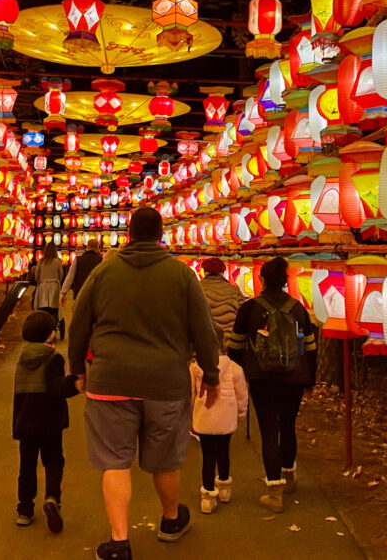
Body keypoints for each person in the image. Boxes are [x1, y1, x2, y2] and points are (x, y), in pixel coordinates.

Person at [68, 206, 221, 560]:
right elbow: (204, 330)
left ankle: (119, 543)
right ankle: (170, 520)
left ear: (129, 235)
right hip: (165, 382)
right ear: (161, 235)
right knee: (166, 458)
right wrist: (211, 375)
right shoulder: (182, 276)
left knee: (115, 460)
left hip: (110, 381)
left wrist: (77, 368)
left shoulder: (104, 273)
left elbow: (78, 324)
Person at [227, 256, 317, 514]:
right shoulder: (298, 308)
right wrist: (310, 379)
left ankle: (274, 491)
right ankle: (289, 475)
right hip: (294, 377)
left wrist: (238, 375)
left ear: (262, 279)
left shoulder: (249, 308)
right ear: (286, 281)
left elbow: (235, 346)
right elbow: (309, 347)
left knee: (268, 429)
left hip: (261, 377)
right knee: (287, 425)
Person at [13, 311, 80, 532]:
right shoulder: (53, 358)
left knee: (27, 464)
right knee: (53, 460)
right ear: (50, 335)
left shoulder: (22, 358)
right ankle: (52, 498)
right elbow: (56, 387)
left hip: (25, 419)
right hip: (49, 419)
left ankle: (24, 509)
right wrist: (74, 384)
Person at [190, 332, 248, 515]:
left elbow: (191, 394)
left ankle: (207, 497)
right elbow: (242, 395)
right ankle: (224, 489)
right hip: (226, 418)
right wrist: (241, 413)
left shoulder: (195, 368)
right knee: (224, 452)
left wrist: (190, 414)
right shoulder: (235, 368)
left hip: (204, 417)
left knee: (208, 456)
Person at [59, 239, 104, 336]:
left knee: (81, 323)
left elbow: (69, 278)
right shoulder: (101, 261)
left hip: (80, 296)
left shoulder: (78, 260)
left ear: (87, 247)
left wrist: (63, 293)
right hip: (96, 297)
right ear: (97, 249)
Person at [198, 257, 245, 345]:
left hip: (204, 341)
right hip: (229, 341)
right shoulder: (234, 290)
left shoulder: (196, 288)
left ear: (204, 272)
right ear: (223, 272)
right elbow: (242, 316)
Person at [33, 242, 64, 326]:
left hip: (43, 286)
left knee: (43, 306)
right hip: (54, 286)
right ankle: (54, 325)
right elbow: (60, 275)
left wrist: (41, 281)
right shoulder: (57, 262)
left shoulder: (41, 262)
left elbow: (37, 276)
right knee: (53, 307)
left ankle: (43, 325)